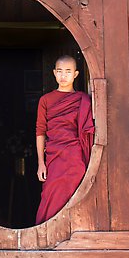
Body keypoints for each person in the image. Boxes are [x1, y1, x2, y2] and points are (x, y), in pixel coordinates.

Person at [35, 55, 94, 224]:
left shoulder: (83, 100)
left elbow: (87, 130)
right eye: (59, 71)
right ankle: (46, 231)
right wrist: (41, 163)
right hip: (54, 156)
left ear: (75, 74)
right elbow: (40, 132)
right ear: (54, 73)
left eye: (68, 72)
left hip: (76, 156)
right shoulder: (45, 100)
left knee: (76, 195)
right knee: (50, 194)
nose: (63, 76)